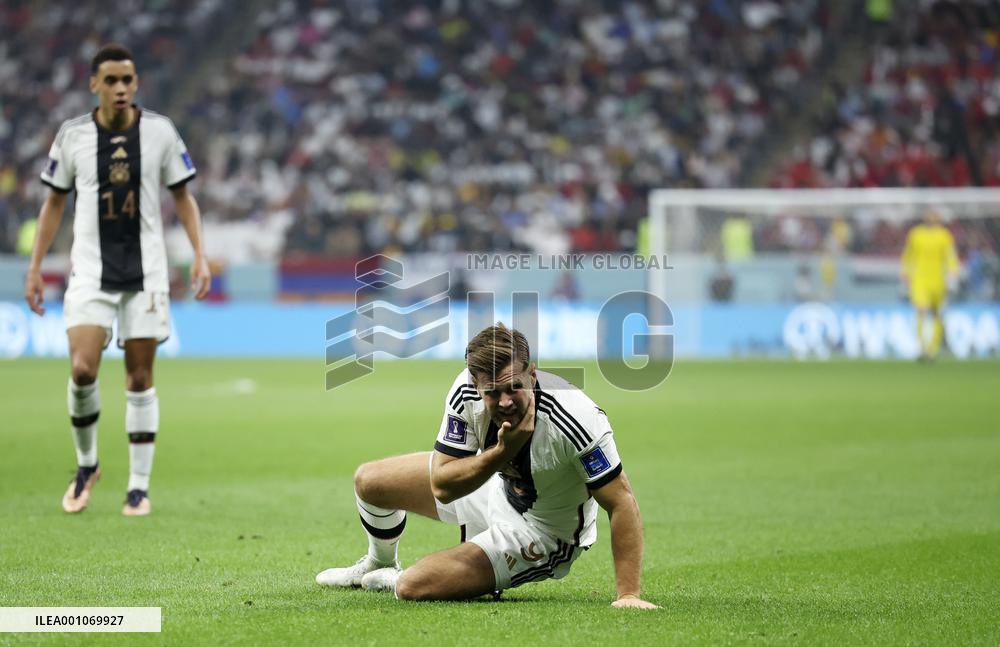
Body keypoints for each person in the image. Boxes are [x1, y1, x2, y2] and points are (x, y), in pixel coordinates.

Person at [316, 323, 658, 609]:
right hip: (496, 487)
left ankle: (397, 578)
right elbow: (443, 485)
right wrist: (500, 454)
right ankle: (379, 562)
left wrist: (628, 595)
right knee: (370, 481)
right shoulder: (465, 390)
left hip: (543, 532)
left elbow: (621, 500)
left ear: (532, 373)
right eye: (492, 392)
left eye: (514, 387)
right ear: (476, 384)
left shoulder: (577, 417)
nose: (505, 401)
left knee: (413, 586)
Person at [24, 43, 210, 516]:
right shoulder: (73, 136)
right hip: (90, 271)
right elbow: (53, 203)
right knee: (82, 369)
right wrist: (35, 266)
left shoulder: (160, 132)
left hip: (146, 273)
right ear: (94, 84)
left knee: (139, 377)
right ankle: (87, 465)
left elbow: (183, 197)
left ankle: (138, 488)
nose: (121, 88)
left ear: (136, 83)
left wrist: (200, 256)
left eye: (128, 79)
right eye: (111, 80)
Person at [901, 209, 959, 359]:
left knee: (936, 313)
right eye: (929, 215)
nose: (931, 218)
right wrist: (905, 271)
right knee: (920, 310)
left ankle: (932, 348)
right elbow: (908, 254)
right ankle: (922, 347)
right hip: (919, 279)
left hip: (938, 280)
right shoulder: (916, 234)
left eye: (934, 216)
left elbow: (950, 255)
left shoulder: (944, 235)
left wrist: (953, 271)